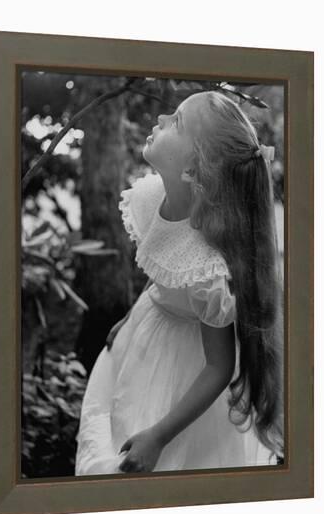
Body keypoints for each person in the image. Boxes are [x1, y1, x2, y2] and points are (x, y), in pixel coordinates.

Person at [74, 90, 284, 476]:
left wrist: (159, 435)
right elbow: (164, 267)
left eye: (177, 122)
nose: (161, 118)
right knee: (111, 421)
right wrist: (134, 316)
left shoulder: (208, 267)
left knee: (149, 466)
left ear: (192, 168)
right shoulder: (151, 197)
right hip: (146, 328)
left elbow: (219, 367)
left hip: (184, 368)